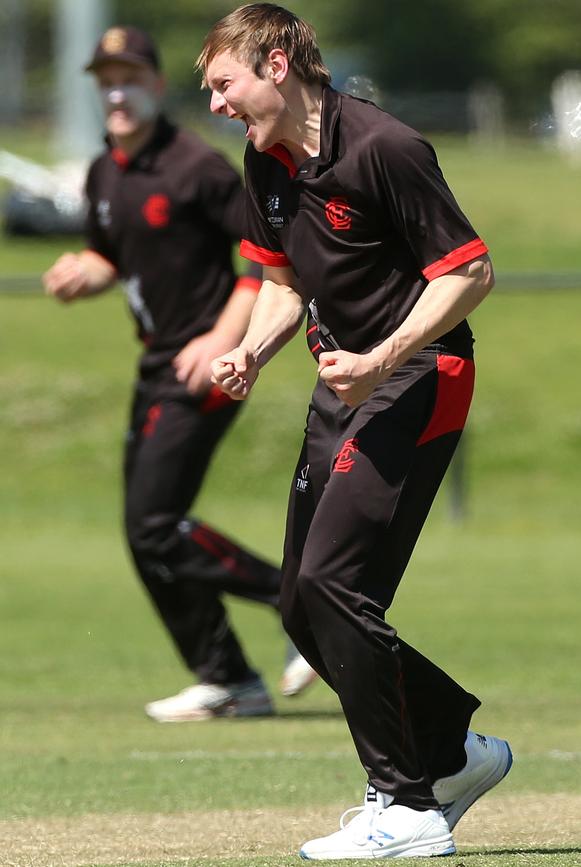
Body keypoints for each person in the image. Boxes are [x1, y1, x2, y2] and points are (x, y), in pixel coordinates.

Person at [197, 3, 512, 858]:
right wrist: (253, 352)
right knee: (303, 601)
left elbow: (470, 272)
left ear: (274, 63)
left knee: (336, 584)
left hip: (421, 374)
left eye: (223, 84)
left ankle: (407, 807)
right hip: (347, 382)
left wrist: (386, 354)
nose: (216, 104)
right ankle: (449, 750)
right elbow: (283, 281)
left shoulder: (385, 148)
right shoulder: (262, 159)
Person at [42, 25, 316, 723]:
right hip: (155, 362)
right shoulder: (106, 170)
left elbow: (267, 257)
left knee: (155, 523)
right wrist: (86, 270)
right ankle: (228, 678)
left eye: (130, 75)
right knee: (146, 535)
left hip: (209, 364)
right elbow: (111, 253)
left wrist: (224, 339)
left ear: (157, 85)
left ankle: (303, 606)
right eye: (105, 78)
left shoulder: (197, 165)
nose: (116, 89)